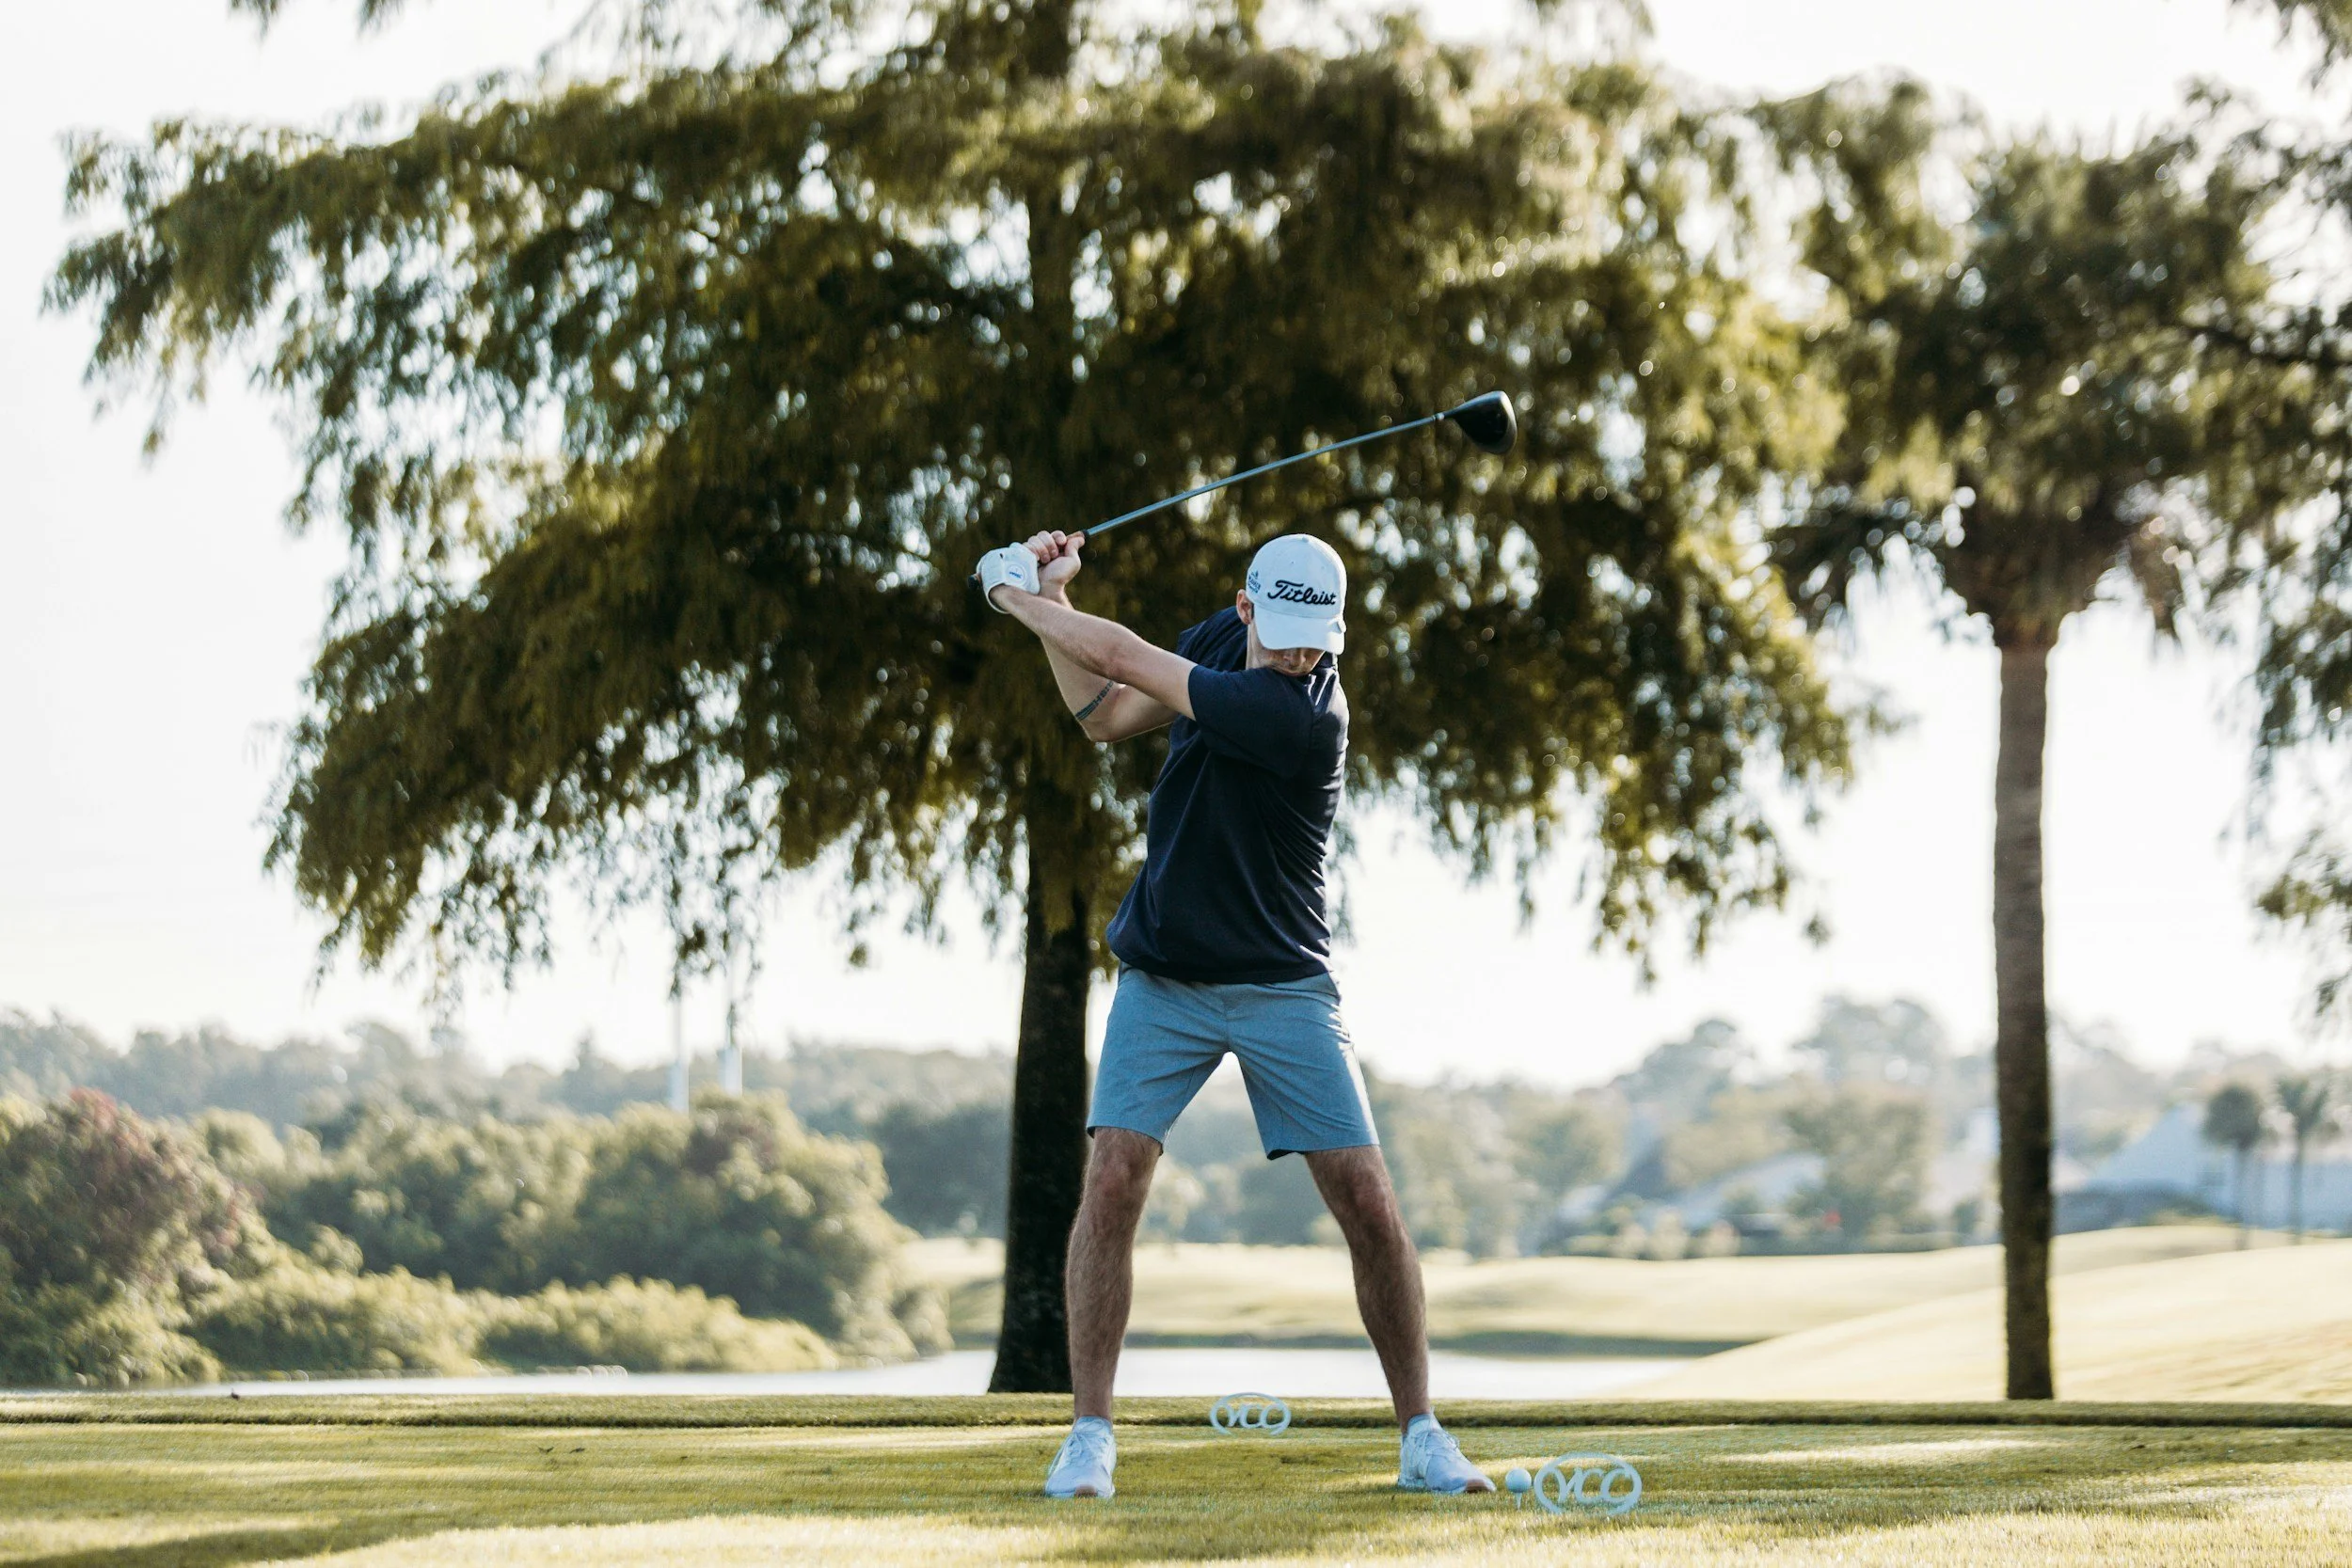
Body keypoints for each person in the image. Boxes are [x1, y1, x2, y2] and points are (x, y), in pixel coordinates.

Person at [984, 528, 1494, 1501]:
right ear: (1247, 607)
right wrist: (1052, 599)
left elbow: (1124, 656)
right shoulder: (1222, 640)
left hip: (1280, 982)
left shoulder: (1303, 714)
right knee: (1114, 1175)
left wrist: (1015, 599)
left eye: (1319, 637)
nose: (1302, 652)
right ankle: (1089, 1433)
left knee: (1369, 1201)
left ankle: (1422, 1433)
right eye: (1286, 628)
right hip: (1164, 973)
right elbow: (1103, 709)